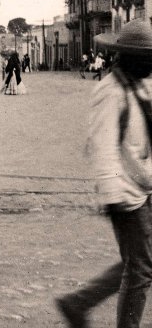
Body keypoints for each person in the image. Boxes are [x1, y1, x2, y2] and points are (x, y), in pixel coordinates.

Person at [56, 19, 152, 328]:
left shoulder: (139, 83)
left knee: (139, 263)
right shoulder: (110, 92)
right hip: (124, 193)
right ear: (129, 57)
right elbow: (102, 147)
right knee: (141, 268)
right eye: (147, 57)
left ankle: (77, 303)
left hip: (143, 184)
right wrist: (114, 195)